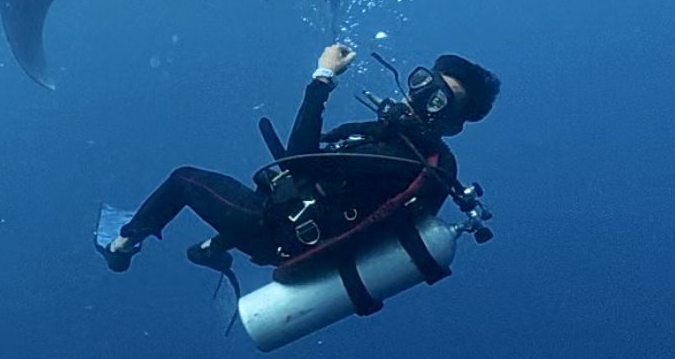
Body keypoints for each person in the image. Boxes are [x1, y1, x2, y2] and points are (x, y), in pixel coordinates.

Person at [97, 43, 499, 276]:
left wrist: (322, 77)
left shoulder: (398, 157)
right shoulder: (405, 148)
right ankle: (213, 247)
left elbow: (298, 160)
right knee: (244, 200)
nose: (418, 97)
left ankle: (120, 247)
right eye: (423, 84)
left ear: (450, 123)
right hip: (294, 223)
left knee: (184, 180)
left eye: (437, 99)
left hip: (275, 227)